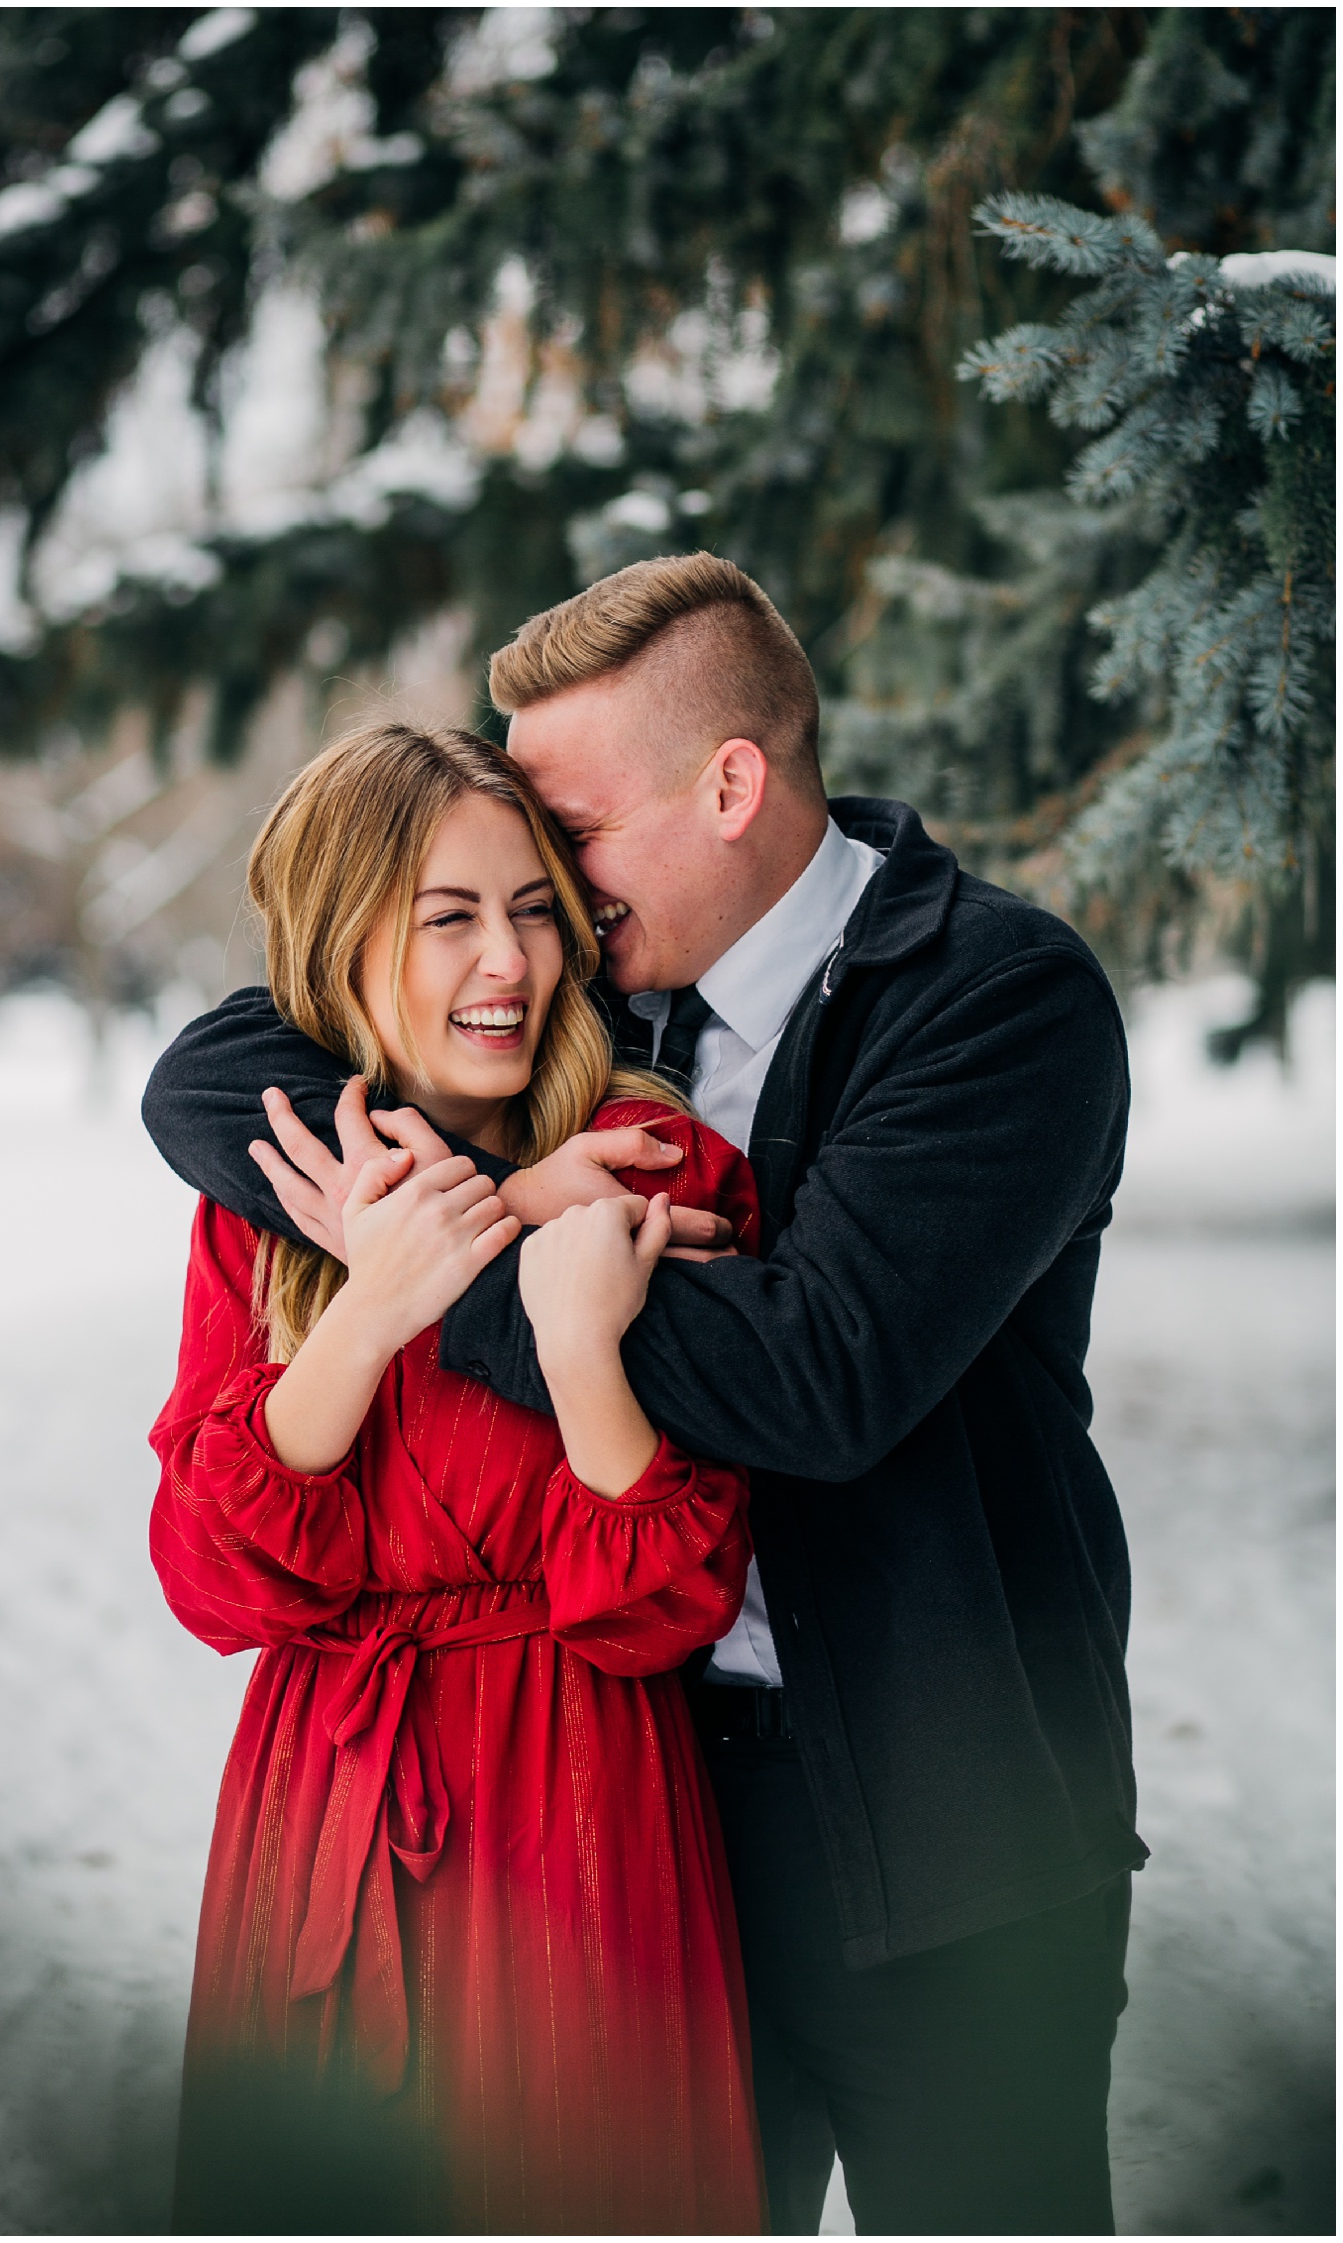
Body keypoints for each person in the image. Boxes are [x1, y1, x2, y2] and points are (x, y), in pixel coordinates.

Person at [144, 554, 1148, 2237]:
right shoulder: (590, 998)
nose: (542, 906)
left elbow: (824, 1377)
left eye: (571, 846)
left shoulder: (998, 1002)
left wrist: (473, 1256)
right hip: (656, 1814)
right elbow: (216, 1069)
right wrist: (473, 1196)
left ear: (731, 784)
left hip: (950, 1827)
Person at [148, 721, 769, 2235]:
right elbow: (212, 1572)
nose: (510, 961)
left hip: (578, 1803)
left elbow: (672, 1598)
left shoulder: (647, 1163)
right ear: (342, 941)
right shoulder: (282, 1195)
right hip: (327, 1811)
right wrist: (370, 1302)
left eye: (535, 908)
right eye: (449, 916)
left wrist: (576, 1346)